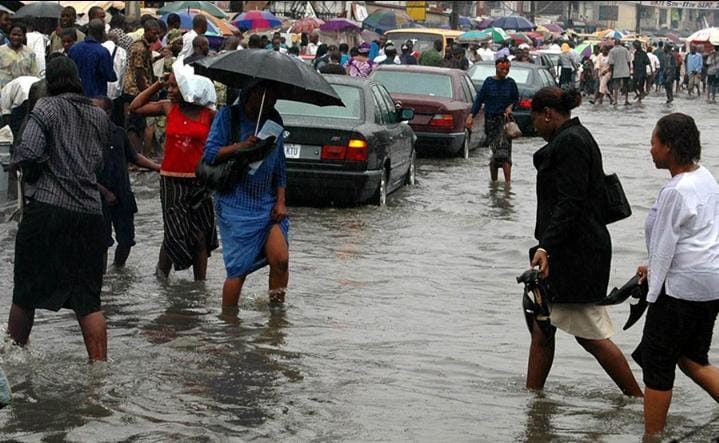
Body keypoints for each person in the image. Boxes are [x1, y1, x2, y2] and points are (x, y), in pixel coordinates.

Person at [526, 86, 643, 397]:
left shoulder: (571, 143)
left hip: (575, 253)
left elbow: (570, 202)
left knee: (590, 334)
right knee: (542, 326)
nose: (533, 125)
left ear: (548, 114)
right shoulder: (574, 137)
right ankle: (533, 402)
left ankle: (639, 400)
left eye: (535, 118)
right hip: (569, 248)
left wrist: (545, 247)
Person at [7, 56, 112, 362]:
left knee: (25, 292)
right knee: (88, 300)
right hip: (91, 215)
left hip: (49, 212)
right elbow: (98, 164)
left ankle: (14, 363)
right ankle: (99, 372)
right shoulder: (99, 116)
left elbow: (28, 152)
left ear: (49, 83)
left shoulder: (46, 107)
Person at [632, 113, 719, 435]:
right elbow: (698, 234)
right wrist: (653, 266)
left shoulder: (676, 191)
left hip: (681, 289)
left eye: (653, 143)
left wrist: (653, 294)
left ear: (668, 147)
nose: (650, 149)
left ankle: (651, 438)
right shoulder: (704, 176)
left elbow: (667, 245)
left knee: (657, 365)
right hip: (710, 282)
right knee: (692, 358)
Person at [203, 79, 290, 311]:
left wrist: (281, 200)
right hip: (235, 203)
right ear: (249, 94)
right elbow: (211, 154)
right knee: (238, 269)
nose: (269, 101)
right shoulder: (228, 116)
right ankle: (229, 322)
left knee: (280, 260)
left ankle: (276, 317)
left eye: (273, 97)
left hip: (267, 201)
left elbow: (279, 162)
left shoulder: (274, 120)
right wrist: (241, 146)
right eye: (263, 95)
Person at [130, 67, 218, 281]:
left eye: (174, 86)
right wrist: (158, 84)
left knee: (199, 235)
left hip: (200, 180)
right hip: (171, 179)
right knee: (173, 232)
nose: (170, 90)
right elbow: (135, 107)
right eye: (168, 85)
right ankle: (161, 276)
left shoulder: (210, 115)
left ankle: (199, 285)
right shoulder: (169, 108)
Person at [94, 96, 160, 268]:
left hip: (122, 193)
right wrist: (105, 192)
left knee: (127, 240)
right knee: (101, 242)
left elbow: (134, 156)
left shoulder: (119, 133)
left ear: (108, 113)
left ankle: (118, 270)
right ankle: (101, 279)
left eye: (96, 109)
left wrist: (158, 168)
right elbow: (83, 171)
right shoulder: (86, 135)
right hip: (98, 196)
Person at [466, 57, 518, 182]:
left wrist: (510, 107)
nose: (505, 71)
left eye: (507, 69)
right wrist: (471, 115)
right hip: (490, 122)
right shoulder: (488, 82)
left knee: (504, 153)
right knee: (495, 154)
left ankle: (507, 184)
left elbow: (516, 100)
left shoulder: (511, 83)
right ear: (496, 67)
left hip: (504, 123)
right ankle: (494, 183)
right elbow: (479, 100)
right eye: (502, 69)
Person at [124, 19, 160, 158]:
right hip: (135, 91)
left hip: (137, 89)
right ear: (146, 32)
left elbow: (145, 66)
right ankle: (135, 155)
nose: (156, 37)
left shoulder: (144, 47)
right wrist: (148, 92)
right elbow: (139, 73)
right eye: (154, 33)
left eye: (158, 34)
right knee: (135, 124)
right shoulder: (140, 48)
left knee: (139, 123)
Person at [68, 19, 117, 97]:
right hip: (96, 98)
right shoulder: (102, 52)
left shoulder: (74, 49)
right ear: (102, 32)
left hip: (76, 96)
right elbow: (110, 76)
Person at [0, 23, 39, 90]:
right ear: (9, 35)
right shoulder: (1, 51)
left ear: (24, 37)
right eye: (14, 34)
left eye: (19, 35)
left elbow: (34, 74)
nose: (16, 37)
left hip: (22, 92)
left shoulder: (30, 53)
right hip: (3, 92)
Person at [608, 39, 631, 105]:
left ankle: (616, 101)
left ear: (614, 43)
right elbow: (628, 61)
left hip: (616, 71)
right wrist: (629, 70)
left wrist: (612, 73)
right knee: (626, 86)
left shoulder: (612, 51)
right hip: (625, 70)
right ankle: (626, 100)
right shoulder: (625, 50)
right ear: (620, 43)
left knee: (616, 87)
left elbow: (611, 63)